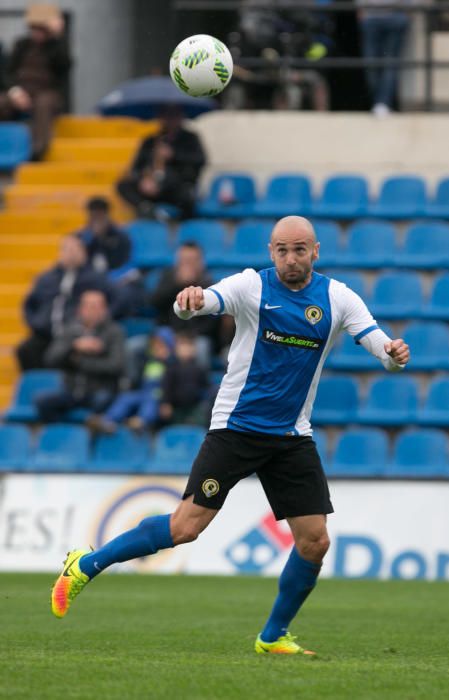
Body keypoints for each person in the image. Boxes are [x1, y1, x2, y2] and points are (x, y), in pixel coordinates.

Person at [50, 216, 410, 655]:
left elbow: (379, 346)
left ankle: (273, 635)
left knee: (315, 541)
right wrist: (190, 300)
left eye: (299, 249)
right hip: (235, 429)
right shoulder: (251, 287)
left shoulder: (338, 298)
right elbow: (200, 304)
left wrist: (392, 354)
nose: (290, 258)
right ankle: (85, 564)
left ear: (315, 251)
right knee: (184, 528)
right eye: (282, 249)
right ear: (270, 250)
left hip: (292, 436)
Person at [16, 236, 122, 371]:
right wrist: (36, 322)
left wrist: (102, 318)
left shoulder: (95, 278)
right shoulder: (47, 278)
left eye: (75, 249)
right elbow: (29, 303)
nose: (71, 253)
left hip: (76, 333)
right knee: (25, 350)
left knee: (70, 355)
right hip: (45, 333)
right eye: (67, 249)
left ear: (84, 252)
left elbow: (117, 299)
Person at [35, 290, 125, 422]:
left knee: (103, 400)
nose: (91, 310)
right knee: (42, 401)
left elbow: (116, 365)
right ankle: (66, 434)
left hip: (99, 390)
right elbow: (51, 359)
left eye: (96, 306)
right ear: (80, 309)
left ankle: (91, 431)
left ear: (105, 309)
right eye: (87, 306)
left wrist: (80, 362)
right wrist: (73, 346)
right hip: (71, 391)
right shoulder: (71, 331)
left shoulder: (114, 332)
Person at [0, 3, 71, 159]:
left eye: (41, 29)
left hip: (47, 92)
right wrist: (15, 92)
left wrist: (57, 37)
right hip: (21, 91)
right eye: (34, 29)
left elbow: (65, 66)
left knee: (43, 104)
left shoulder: (56, 47)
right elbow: (8, 72)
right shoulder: (22, 45)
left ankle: (38, 151)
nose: (37, 33)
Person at [116, 105, 206, 220]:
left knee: (185, 193)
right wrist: (143, 180)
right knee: (123, 185)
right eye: (166, 115)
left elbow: (199, 161)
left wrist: (174, 155)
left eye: (173, 115)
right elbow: (136, 167)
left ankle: (179, 222)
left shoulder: (190, 139)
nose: (170, 120)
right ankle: (147, 209)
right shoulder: (150, 141)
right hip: (151, 186)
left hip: (177, 187)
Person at [88, 326, 175, 434]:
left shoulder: (173, 365)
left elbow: (173, 383)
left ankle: (142, 421)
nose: (157, 349)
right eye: (154, 346)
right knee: (126, 398)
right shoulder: (147, 360)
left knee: (150, 402)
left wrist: (166, 402)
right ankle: (108, 420)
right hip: (142, 391)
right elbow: (136, 376)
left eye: (161, 346)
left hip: (158, 395)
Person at [148, 242, 222, 367]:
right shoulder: (168, 278)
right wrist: (177, 284)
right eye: (183, 260)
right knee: (135, 347)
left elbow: (213, 323)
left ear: (201, 263)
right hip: (169, 334)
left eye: (191, 260)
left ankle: (201, 384)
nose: (187, 265)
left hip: (196, 337)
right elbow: (154, 304)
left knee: (202, 347)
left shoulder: (209, 284)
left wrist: (186, 339)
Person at [357, 0, 411, 116]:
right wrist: (361, 9)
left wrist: (408, 8)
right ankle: (381, 103)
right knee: (371, 65)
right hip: (371, 17)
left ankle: (383, 103)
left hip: (396, 16)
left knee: (390, 64)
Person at [159, 331, 210, 425]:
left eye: (189, 345)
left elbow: (206, 387)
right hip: (176, 407)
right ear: (176, 350)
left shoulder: (199, 368)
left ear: (194, 349)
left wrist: (204, 402)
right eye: (182, 345)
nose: (185, 349)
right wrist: (165, 403)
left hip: (195, 406)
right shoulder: (171, 368)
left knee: (200, 423)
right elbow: (166, 387)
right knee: (175, 427)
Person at [76, 197, 131, 274]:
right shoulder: (80, 236)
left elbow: (125, 261)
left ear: (107, 216)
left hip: (115, 275)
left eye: (100, 217)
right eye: (93, 217)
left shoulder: (121, 236)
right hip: (88, 277)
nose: (97, 221)